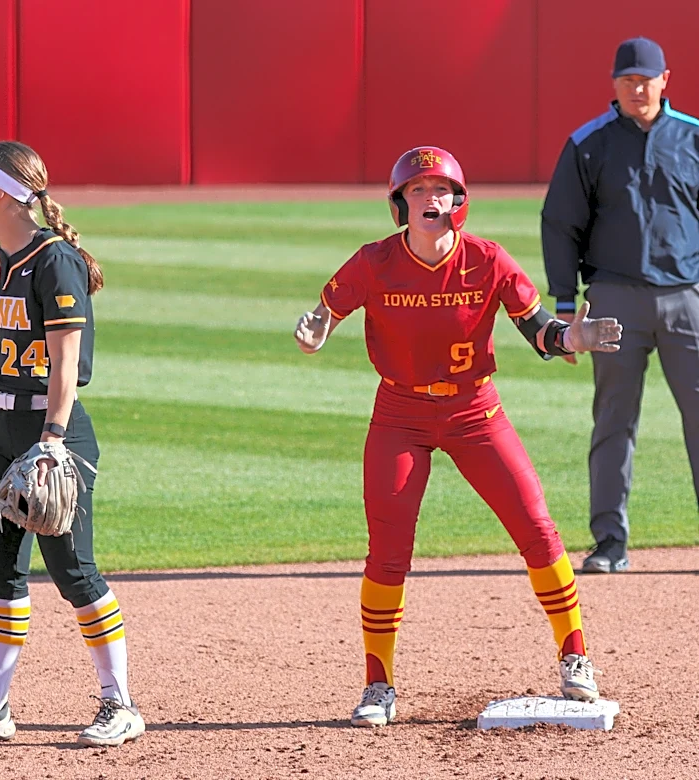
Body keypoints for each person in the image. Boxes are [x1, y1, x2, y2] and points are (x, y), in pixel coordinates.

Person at [293, 146, 622, 728]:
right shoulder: (374, 261)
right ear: (400, 205)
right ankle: (378, 684)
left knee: (538, 528)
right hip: (400, 413)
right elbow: (324, 313)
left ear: (459, 201)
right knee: (388, 552)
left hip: (476, 411)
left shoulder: (487, 259)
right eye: (417, 190)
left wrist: (573, 339)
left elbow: (538, 328)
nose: (430, 198)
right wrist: (314, 332)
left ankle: (575, 656)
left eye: (440, 189)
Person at [0, 142, 145, 747]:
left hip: (52, 434)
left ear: (0, 192)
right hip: (0, 431)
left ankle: (120, 704)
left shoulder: (55, 261)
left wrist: (51, 441)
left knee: (73, 572)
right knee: (1, 572)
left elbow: (66, 363)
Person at [541, 37, 699, 575]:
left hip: (686, 298)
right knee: (613, 420)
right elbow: (561, 223)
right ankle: (609, 541)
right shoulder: (589, 143)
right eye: (627, 80)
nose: (637, 89)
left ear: (664, 80)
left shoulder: (693, 138)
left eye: (645, 79)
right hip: (613, 300)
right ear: (614, 83)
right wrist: (565, 304)